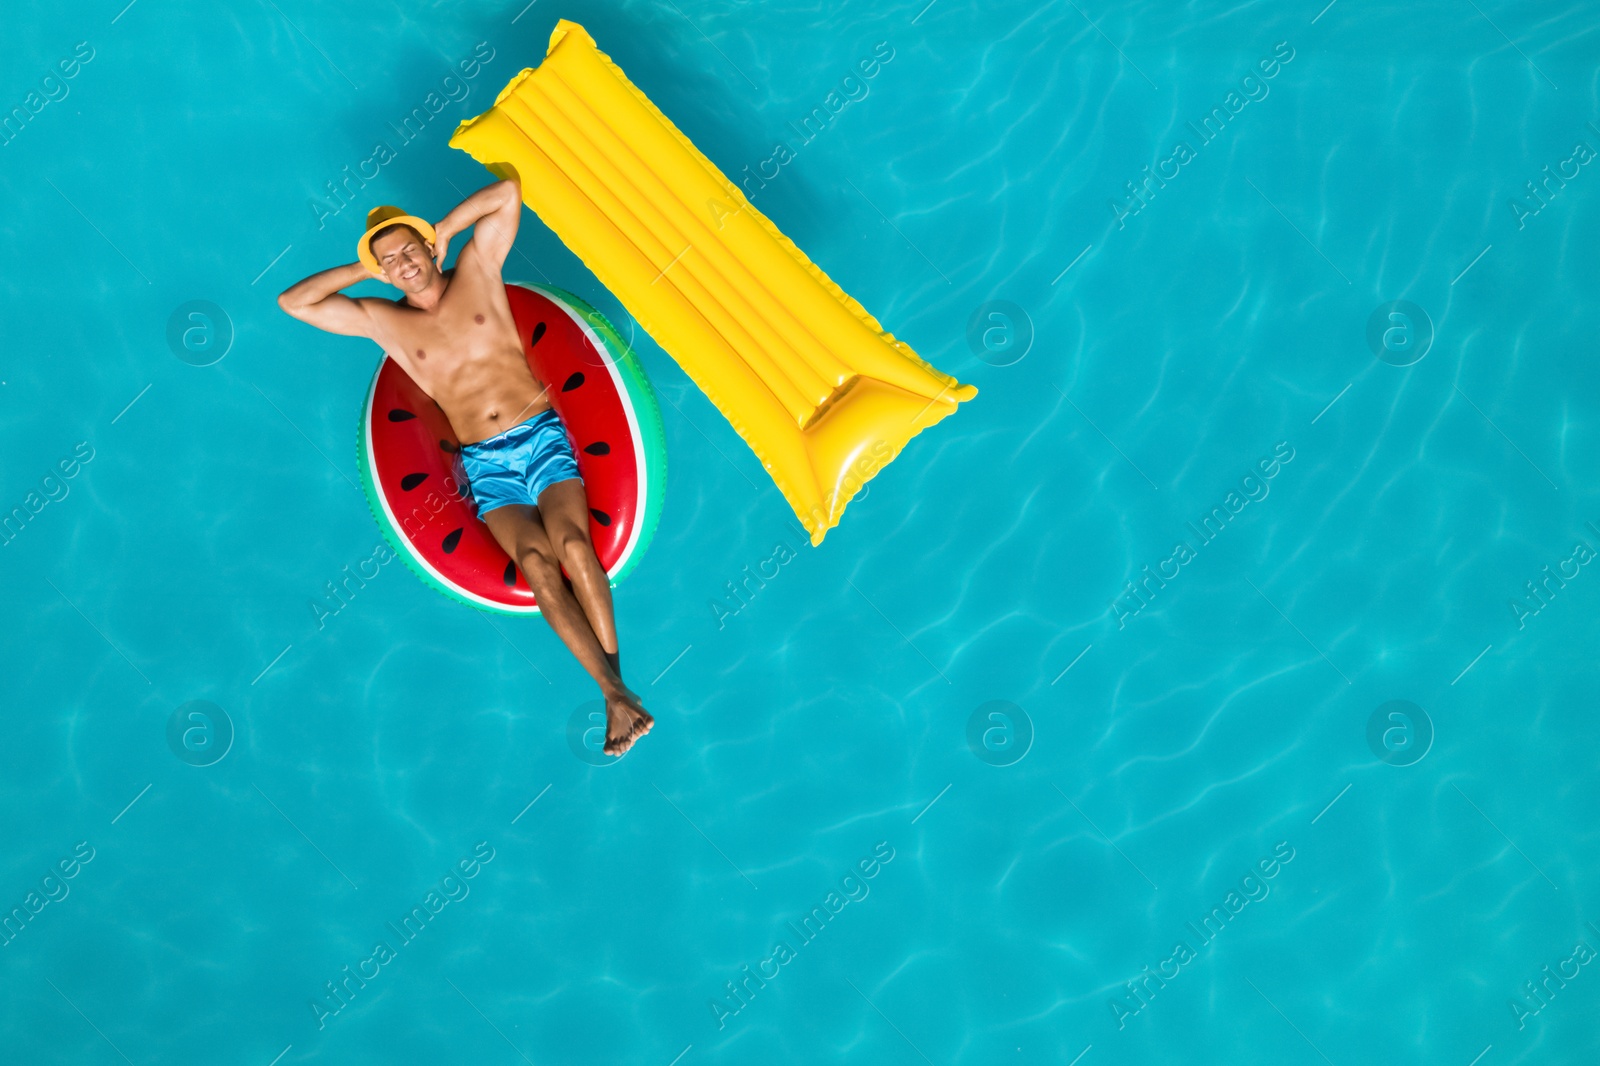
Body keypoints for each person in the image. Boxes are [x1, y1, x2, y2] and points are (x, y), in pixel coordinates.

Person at [277, 177, 653, 755]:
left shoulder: (478, 270)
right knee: (535, 561)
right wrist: (365, 269)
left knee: (574, 546)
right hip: (486, 465)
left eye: (409, 250)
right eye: (389, 261)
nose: (402, 264)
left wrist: (443, 231)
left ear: (429, 249)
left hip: (540, 438)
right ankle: (615, 692)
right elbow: (293, 303)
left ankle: (615, 693)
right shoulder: (383, 320)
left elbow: (507, 192)